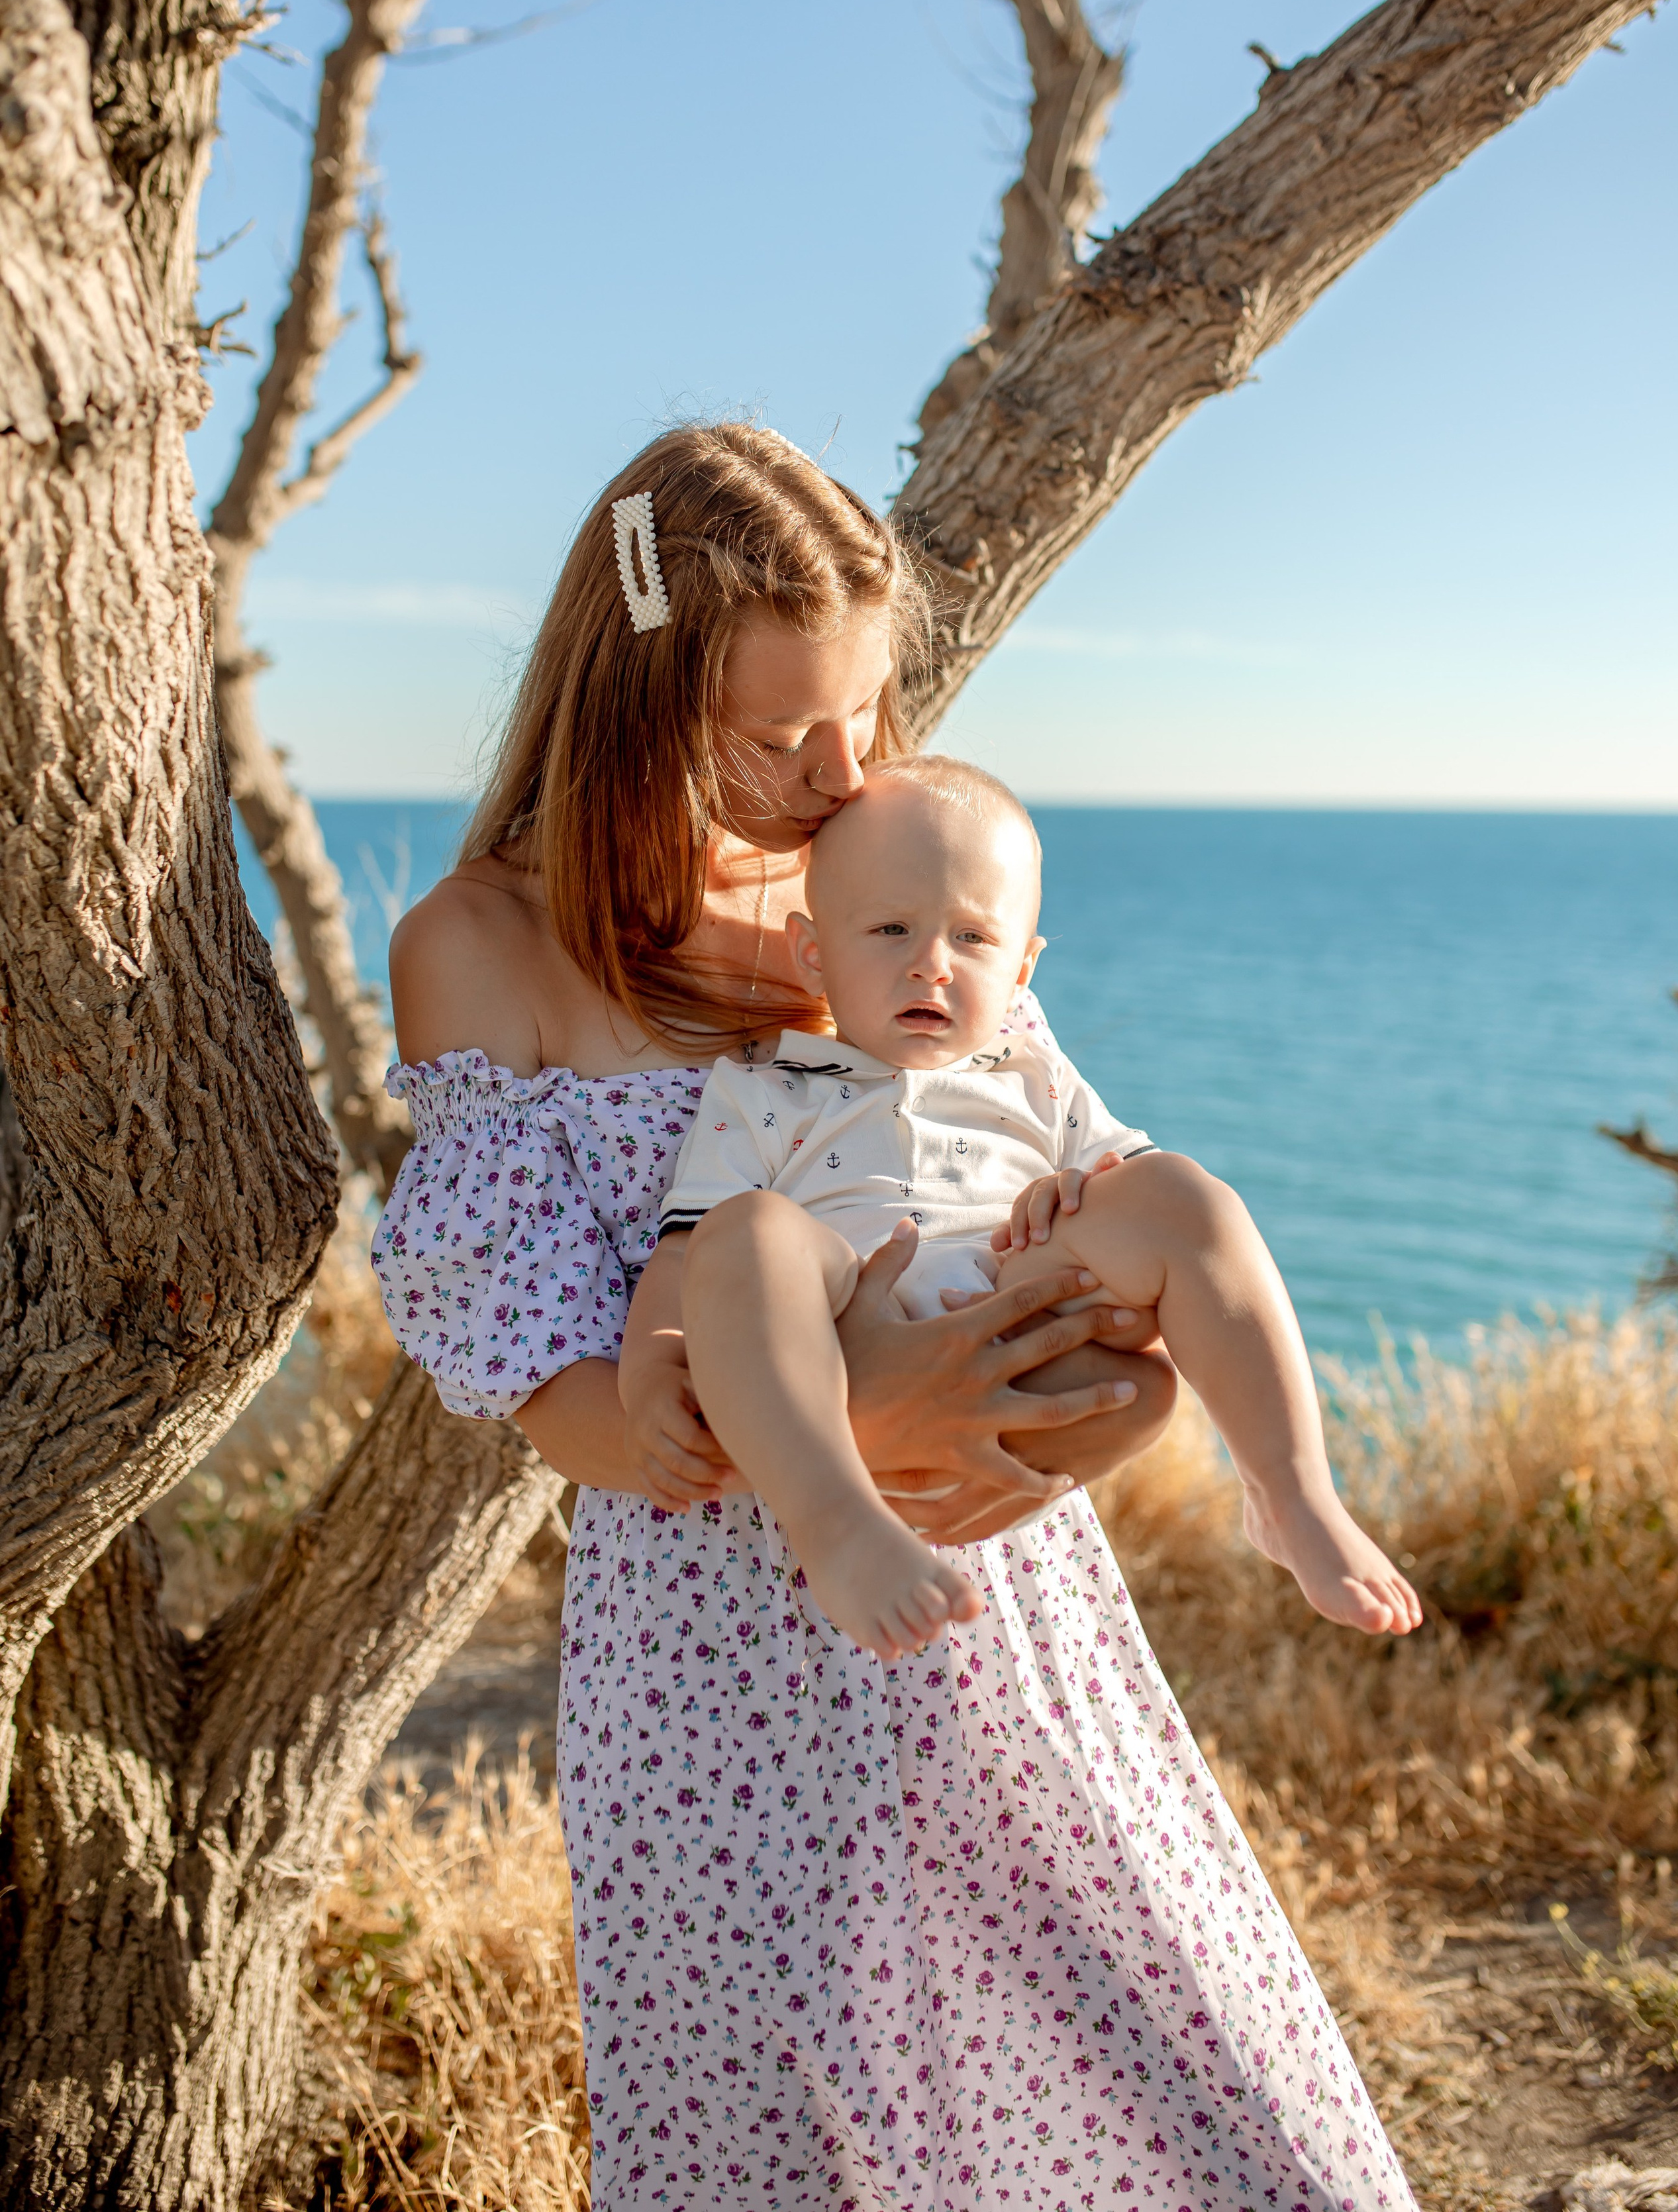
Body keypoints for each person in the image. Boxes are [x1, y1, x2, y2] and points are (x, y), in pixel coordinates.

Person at [375, 421, 1417, 2210]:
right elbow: (567, 1411)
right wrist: (873, 1411)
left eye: (863, 711)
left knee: (1215, 2108)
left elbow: (1088, 1219)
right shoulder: (484, 945)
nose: (835, 771)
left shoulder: (896, 875)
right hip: (723, 1681)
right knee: (800, 2157)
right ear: (628, 697)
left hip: (1009, 1622)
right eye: (774, 733)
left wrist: (1127, 1403)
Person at [622, 753, 1423, 1664]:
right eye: (889, 929)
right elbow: (687, 1263)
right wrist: (651, 1374)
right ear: (815, 951)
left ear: (1023, 969)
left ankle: (1291, 1493)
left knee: (1184, 1200)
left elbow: (1152, 1218)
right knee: (747, 1231)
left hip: (1008, 1307)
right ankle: (835, 1520)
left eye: (973, 939)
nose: (931, 965)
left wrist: (1077, 1193)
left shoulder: (1034, 1078)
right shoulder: (770, 1087)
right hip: (841, 1334)